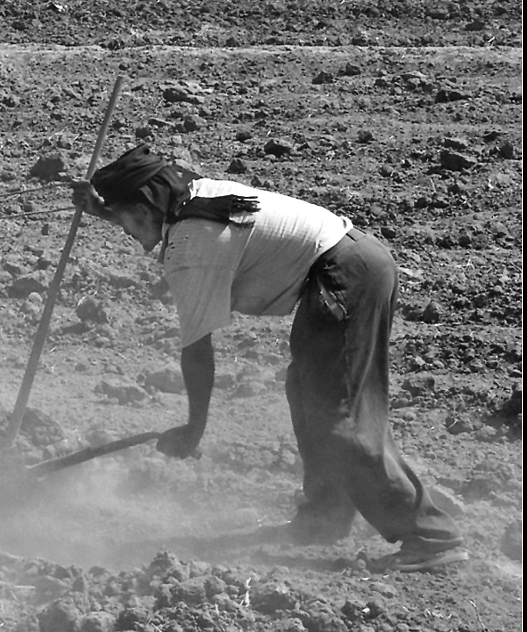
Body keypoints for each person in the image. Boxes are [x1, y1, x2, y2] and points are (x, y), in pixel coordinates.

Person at [70, 144, 468, 573]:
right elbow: (149, 225)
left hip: (343, 278)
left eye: (125, 218)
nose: (127, 233)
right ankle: (326, 515)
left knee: (339, 416)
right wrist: (107, 211)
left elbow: (197, 348)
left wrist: (194, 427)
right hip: (349, 266)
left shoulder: (191, 245)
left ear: (147, 205)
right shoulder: (194, 197)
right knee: (307, 392)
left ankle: (431, 536)